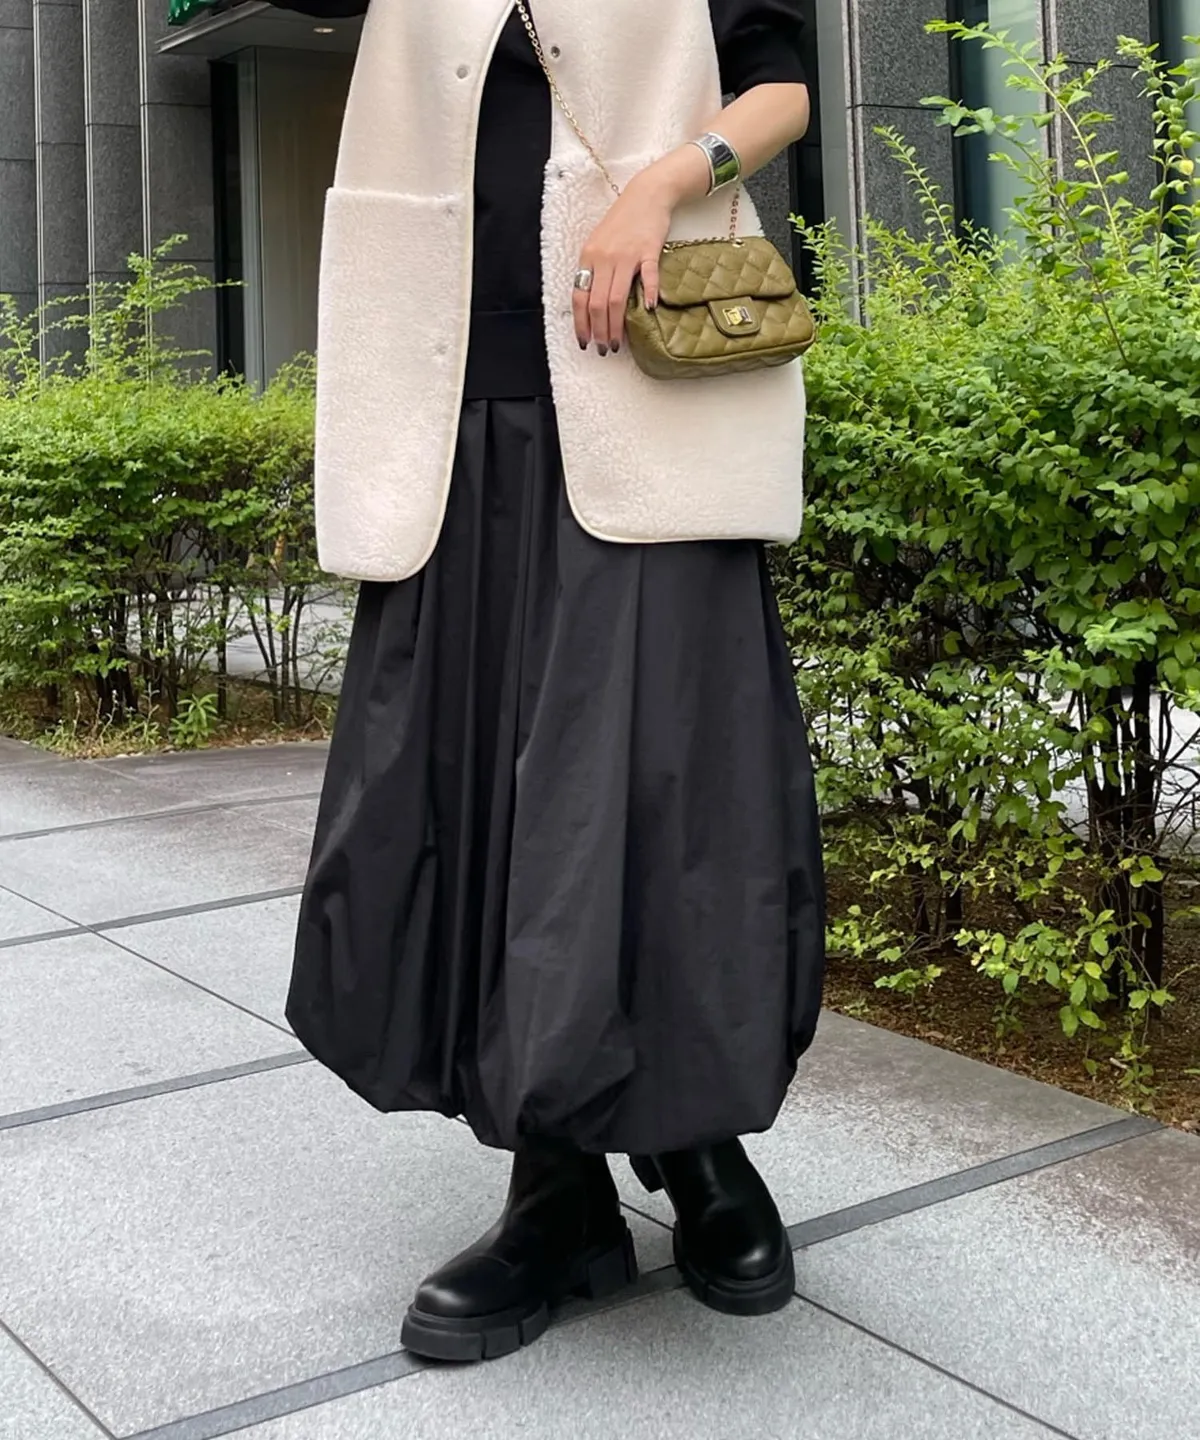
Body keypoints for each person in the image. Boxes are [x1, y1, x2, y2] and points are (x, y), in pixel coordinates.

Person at [269, 0, 825, 1363]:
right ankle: (559, 1189)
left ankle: (696, 1142)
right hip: (454, 425)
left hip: (647, 399)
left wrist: (660, 186)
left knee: (663, 793)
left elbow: (780, 89)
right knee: (481, 799)